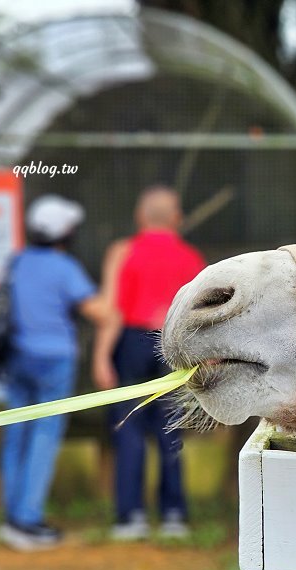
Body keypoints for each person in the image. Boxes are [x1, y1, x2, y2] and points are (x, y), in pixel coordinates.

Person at [0, 195, 111, 551]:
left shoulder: (16, 261)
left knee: (16, 432)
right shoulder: (64, 267)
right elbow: (99, 311)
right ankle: (29, 520)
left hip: (16, 358)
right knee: (44, 435)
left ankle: (12, 517)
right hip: (54, 360)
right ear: (64, 233)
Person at [93, 186, 206, 540]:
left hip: (131, 341)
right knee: (170, 428)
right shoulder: (192, 259)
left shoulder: (124, 253)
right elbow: (202, 313)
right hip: (174, 343)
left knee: (129, 429)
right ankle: (174, 514)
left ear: (140, 218)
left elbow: (111, 310)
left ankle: (131, 517)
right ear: (177, 219)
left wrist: (101, 357)